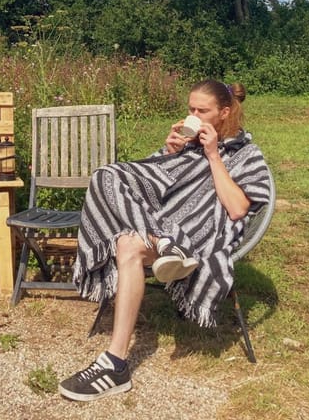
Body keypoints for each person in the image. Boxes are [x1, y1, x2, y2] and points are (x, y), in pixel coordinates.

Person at [58, 79, 274, 402]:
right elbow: (151, 186)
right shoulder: (188, 144)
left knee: (128, 245)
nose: (194, 115)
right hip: (163, 228)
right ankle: (164, 245)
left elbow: (238, 207)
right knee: (106, 179)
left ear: (224, 113)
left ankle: (115, 363)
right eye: (190, 109)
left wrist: (214, 155)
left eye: (203, 111)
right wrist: (168, 155)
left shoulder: (246, 154)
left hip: (200, 237)